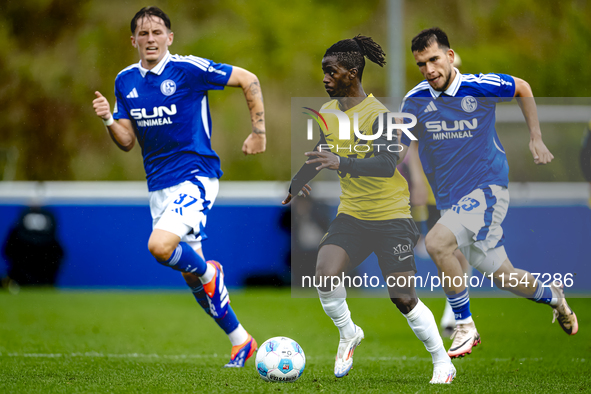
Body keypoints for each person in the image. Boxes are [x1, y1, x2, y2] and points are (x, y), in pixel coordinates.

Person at [91, 6, 265, 368]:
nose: (150, 39)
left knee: (160, 246)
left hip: (196, 176)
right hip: (159, 186)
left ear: (170, 37)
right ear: (134, 40)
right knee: (191, 278)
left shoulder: (188, 69)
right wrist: (108, 118)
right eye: (143, 33)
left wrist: (259, 131)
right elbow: (126, 141)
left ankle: (210, 272)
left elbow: (249, 79)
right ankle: (240, 339)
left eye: (157, 33)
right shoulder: (125, 80)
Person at [283, 35, 456, 384]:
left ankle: (443, 361)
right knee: (324, 272)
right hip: (353, 215)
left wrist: (341, 162)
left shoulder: (382, 116)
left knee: (403, 297)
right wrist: (298, 180)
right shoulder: (329, 112)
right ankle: (349, 333)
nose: (325, 78)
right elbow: (322, 151)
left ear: (352, 73)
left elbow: (385, 163)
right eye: (323, 72)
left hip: (392, 217)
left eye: (331, 72)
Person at [399, 27, 578, 359]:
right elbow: (399, 147)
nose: (429, 70)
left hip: (488, 189)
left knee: (438, 243)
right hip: (454, 202)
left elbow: (522, 87)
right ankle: (554, 297)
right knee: (505, 277)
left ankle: (464, 325)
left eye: (434, 60)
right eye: (422, 64)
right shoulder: (415, 100)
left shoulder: (479, 86)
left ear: (450, 57)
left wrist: (535, 138)